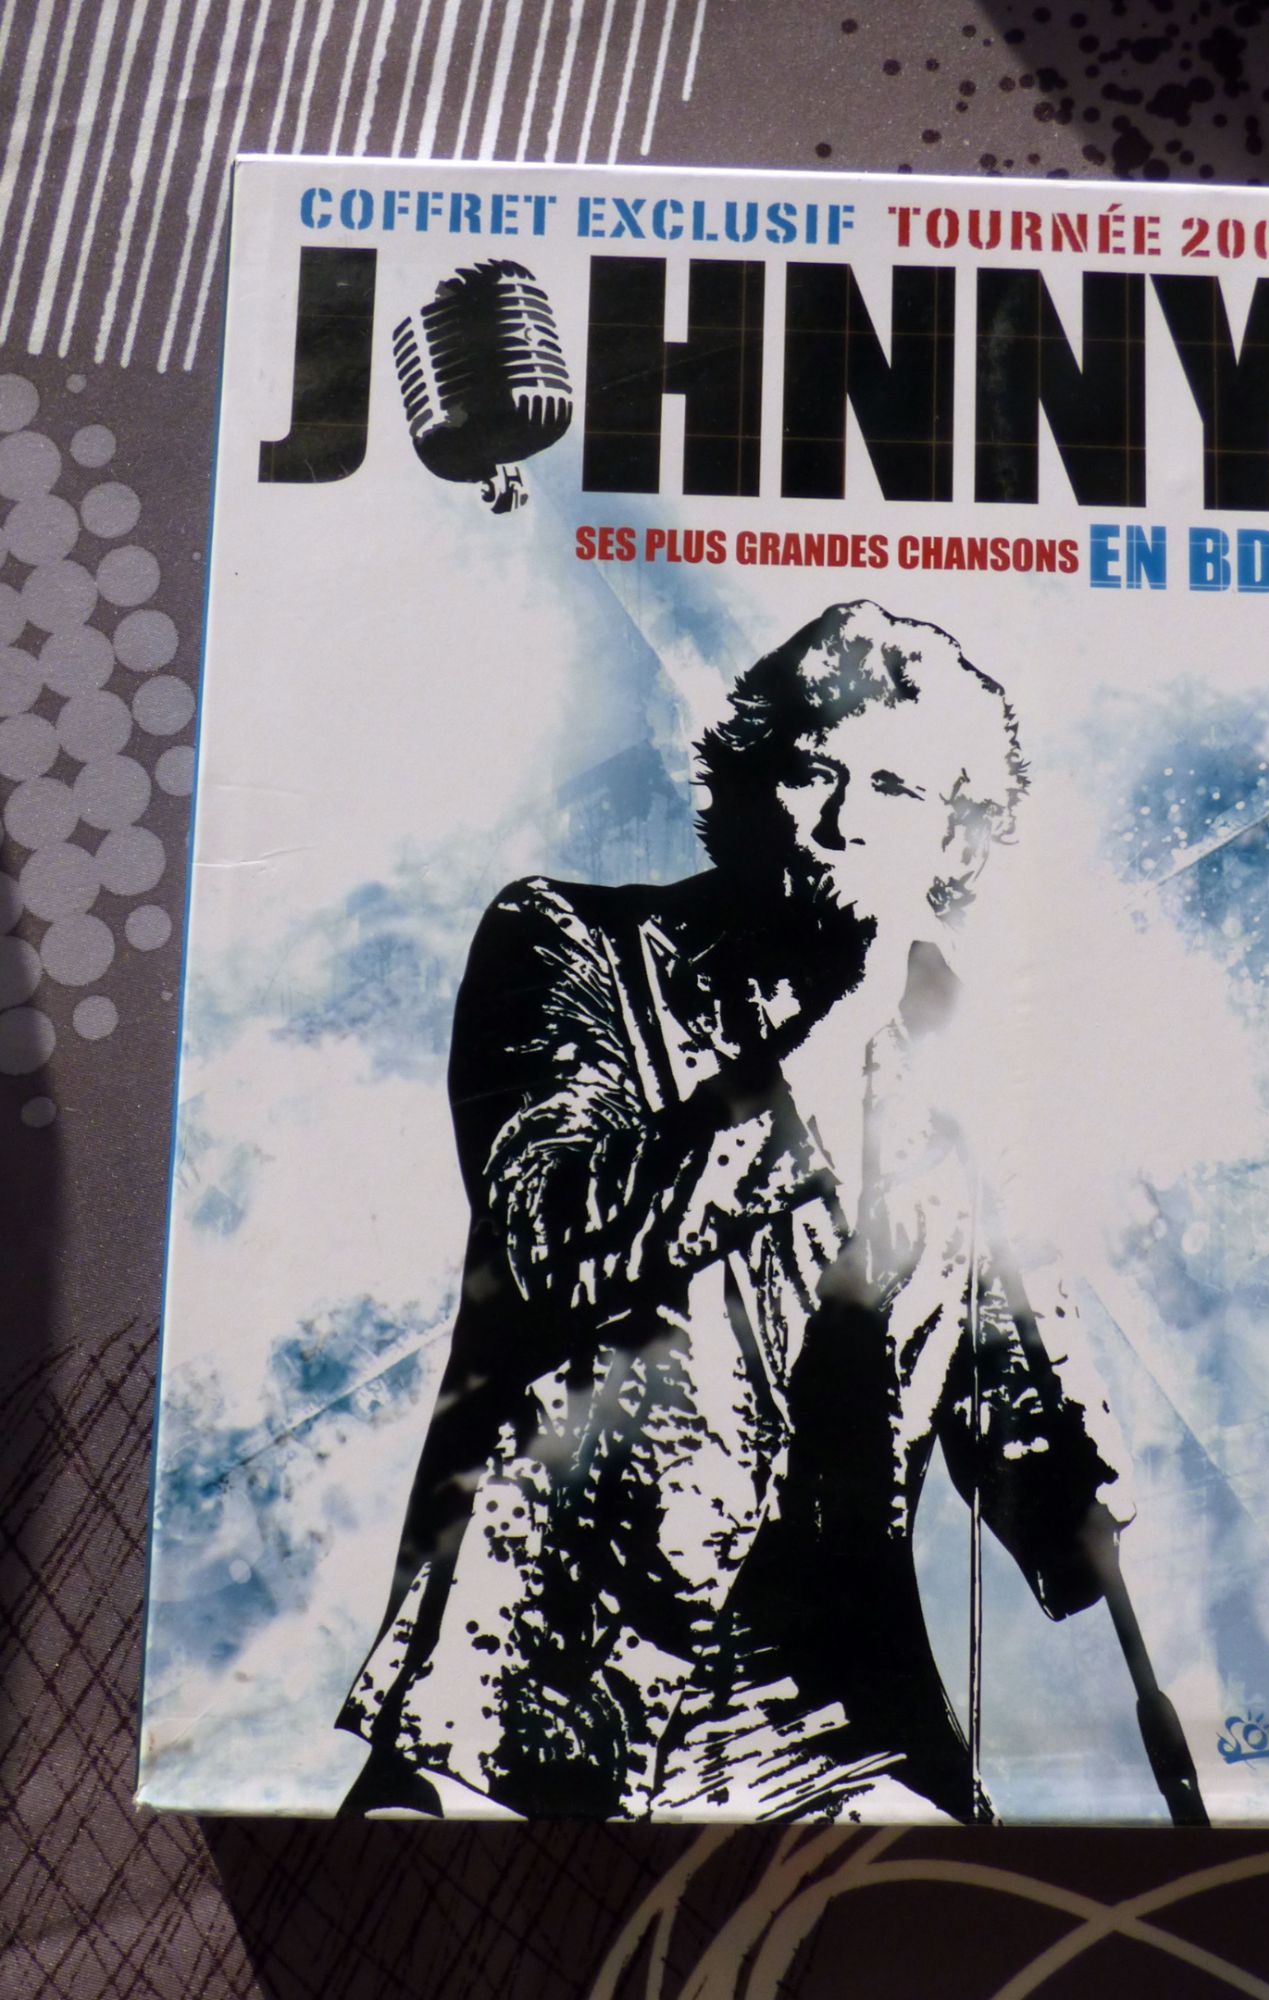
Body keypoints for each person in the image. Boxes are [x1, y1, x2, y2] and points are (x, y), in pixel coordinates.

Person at [338, 601, 1130, 1822]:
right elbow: (559, 1240)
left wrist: (1075, 1476)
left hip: (831, 1724)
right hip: (533, 1694)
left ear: (957, 838)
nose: (840, 819)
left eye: (894, 788)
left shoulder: (953, 1066)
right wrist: (843, 1024)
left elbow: (1034, 1465)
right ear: (751, 781)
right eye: (812, 770)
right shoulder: (572, 944)